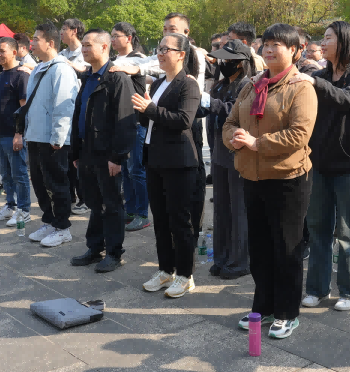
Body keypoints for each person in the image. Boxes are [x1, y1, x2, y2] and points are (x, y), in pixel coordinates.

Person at [224, 22, 317, 338]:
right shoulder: (252, 84)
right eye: (266, 44)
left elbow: (299, 134)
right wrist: (234, 138)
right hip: (253, 175)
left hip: (287, 178)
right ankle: (263, 306)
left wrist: (256, 143)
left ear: (294, 50)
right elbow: (231, 121)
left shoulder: (301, 87)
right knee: (260, 246)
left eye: (277, 44)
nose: (269, 49)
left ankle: (287, 312)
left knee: (287, 247)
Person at [290, 20, 350, 312]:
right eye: (322, 39)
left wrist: (315, 83)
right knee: (318, 230)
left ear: (344, 41)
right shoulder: (321, 74)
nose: (322, 44)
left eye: (328, 38)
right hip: (319, 163)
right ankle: (317, 289)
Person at [132, 33, 201, 298]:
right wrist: (142, 110)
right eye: (159, 49)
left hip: (179, 162)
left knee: (180, 220)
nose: (160, 54)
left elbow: (183, 120)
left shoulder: (188, 84)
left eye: (166, 49)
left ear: (181, 54)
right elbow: (150, 120)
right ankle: (165, 269)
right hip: (155, 158)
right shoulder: (160, 82)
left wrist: (149, 108)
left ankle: (185, 275)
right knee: (160, 219)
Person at [69, 29, 137, 273]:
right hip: (87, 151)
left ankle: (114, 252)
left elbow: (125, 120)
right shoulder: (88, 77)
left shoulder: (117, 78)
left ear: (104, 47)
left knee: (112, 204)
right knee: (94, 202)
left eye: (89, 45)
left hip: (107, 154)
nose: (84, 49)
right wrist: (76, 152)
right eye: (83, 45)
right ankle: (95, 247)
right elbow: (80, 114)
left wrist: (117, 157)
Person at [200, 39, 256, 279]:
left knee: (238, 209)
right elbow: (207, 111)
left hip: (238, 153)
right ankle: (221, 257)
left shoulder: (248, 85)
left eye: (227, 60)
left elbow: (234, 111)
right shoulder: (220, 85)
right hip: (218, 153)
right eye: (221, 59)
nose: (222, 63)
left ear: (241, 63)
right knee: (221, 208)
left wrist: (208, 101)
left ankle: (240, 261)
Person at [23, 23, 81, 248]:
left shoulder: (61, 69)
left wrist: (58, 137)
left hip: (52, 139)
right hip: (35, 136)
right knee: (39, 183)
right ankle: (49, 221)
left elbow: (64, 105)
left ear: (50, 43)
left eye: (36, 39)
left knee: (56, 183)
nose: (32, 43)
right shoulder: (38, 68)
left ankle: (62, 227)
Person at [0, 37, 32, 227]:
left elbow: (23, 108)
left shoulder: (21, 75)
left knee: (19, 175)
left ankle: (24, 210)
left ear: (14, 52)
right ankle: (10, 205)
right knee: (5, 175)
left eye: (2, 51)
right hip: (0, 133)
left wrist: (19, 134)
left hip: (14, 136)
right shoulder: (1, 75)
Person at [109, 22, 150, 232]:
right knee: (125, 169)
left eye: (116, 36)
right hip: (120, 123)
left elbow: (146, 74)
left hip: (135, 121)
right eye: (111, 36)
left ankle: (143, 213)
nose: (113, 40)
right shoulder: (114, 60)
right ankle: (131, 209)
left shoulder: (139, 59)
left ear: (129, 38)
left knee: (136, 169)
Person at [60, 18, 87, 215]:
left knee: (80, 157)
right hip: (64, 110)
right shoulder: (62, 54)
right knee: (67, 156)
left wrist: (69, 65)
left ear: (74, 30)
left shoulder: (85, 53)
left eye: (64, 29)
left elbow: (86, 71)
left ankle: (85, 198)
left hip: (80, 110)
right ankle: (70, 196)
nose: (61, 32)